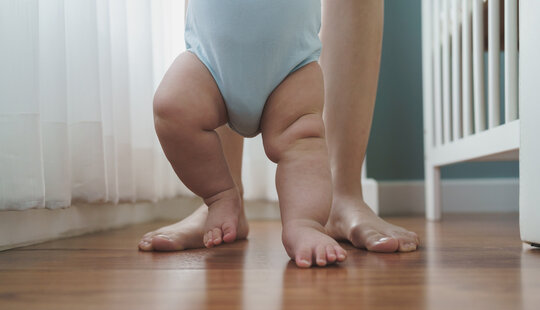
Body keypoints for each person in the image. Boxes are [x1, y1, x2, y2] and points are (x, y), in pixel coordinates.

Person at [139, 0, 419, 267]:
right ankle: (221, 196)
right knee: (172, 108)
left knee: (302, 143)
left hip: (291, 67)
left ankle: (305, 223)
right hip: (207, 62)